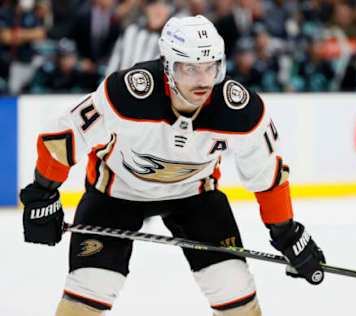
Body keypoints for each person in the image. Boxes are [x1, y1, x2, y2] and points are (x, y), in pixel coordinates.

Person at [19, 15, 326, 316]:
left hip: (195, 198)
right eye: (190, 68)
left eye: (210, 67)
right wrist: (42, 192)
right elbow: (66, 133)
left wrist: (286, 232)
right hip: (115, 194)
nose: (203, 80)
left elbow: (267, 174)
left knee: (236, 293)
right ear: (167, 65)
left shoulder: (240, 110)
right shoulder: (128, 93)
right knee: (87, 293)